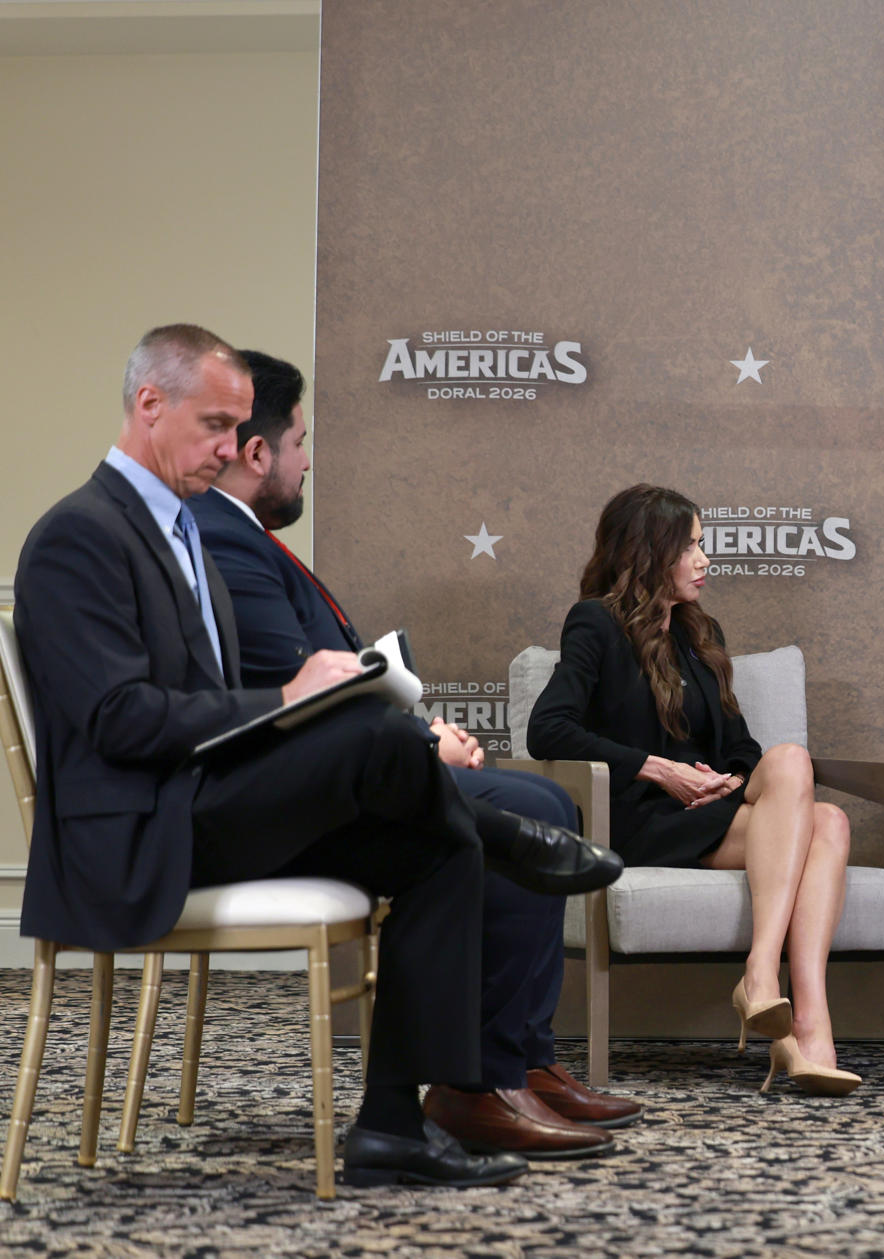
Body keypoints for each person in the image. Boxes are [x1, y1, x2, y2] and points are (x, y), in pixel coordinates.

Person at [11, 325, 621, 1189]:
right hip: (138, 835)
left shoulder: (182, 529)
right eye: (216, 425)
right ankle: (506, 828)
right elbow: (117, 720)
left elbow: (206, 711)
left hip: (201, 805)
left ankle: (391, 1126)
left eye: (239, 429)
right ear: (150, 403)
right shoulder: (78, 534)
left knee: (446, 848)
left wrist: (306, 702)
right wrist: (293, 699)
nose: (230, 449)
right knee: (376, 731)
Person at [189, 350, 641, 1159]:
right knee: (530, 808)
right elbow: (290, 684)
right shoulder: (226, 541)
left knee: (540, 807)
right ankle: (481, 1082)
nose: (308, 460)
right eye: (301, 441)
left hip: (339, 767)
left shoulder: (243, 538)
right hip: (290, 797)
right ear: (259, 454)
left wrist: (417, 728)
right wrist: (423, 735)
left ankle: (519, 1064)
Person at [528, 485, 861, 1096]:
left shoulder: (699, 631)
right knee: (826, 823)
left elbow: (740, 744)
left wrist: (726, 781)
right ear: (648, 553)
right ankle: (786, 1009)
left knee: (807, 787)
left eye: (703, 546)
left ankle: (796, 1013)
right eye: (691, 547)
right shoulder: (596, 623)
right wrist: (658, 768)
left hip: (708, 811)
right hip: (640, 816)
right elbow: (547, 728)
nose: (706, 561)